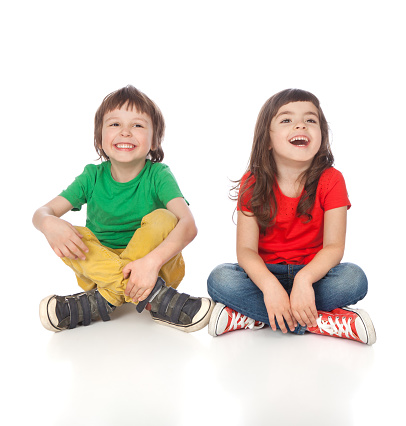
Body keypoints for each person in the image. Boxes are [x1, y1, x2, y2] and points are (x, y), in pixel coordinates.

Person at [33, 85, 213, 333]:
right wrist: (48, 224)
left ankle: (103, 300)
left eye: (138, 125)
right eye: (115, 124)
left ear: (154, 140)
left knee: (164, 218)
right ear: (99, 138)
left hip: (156, 267)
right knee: (68, 231)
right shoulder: (91, 177)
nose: (126, 132)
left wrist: (150, 263)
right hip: (98, 270)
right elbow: (42, 212)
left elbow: (188, 224)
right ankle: (155, 298)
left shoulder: (158, 175)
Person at [207, 89, 376, 345]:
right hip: (265, 276)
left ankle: (253, 317)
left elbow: (334, 247)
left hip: (315, 276)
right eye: (286, 120)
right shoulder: (251, 182)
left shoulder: (332, 180)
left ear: (321, 135)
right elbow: (246, 251)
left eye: (311, 120)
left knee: (354, 279)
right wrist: (269, 286)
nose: (301, 124)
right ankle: (319, 322)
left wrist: (305, 279)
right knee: (220, 278)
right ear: (268, 140)